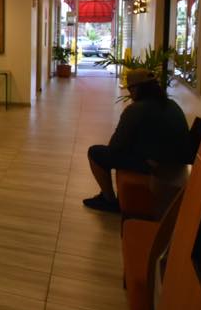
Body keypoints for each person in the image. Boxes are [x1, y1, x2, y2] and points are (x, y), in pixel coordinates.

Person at [82, 68, 192, 213]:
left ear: (136, 89)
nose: (130, 93)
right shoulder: (172, 105)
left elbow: (115, 147)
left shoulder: (136, 110)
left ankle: (108, 200)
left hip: (156, 167)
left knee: (95, 153)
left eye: (130, 89)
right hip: (179, 165)